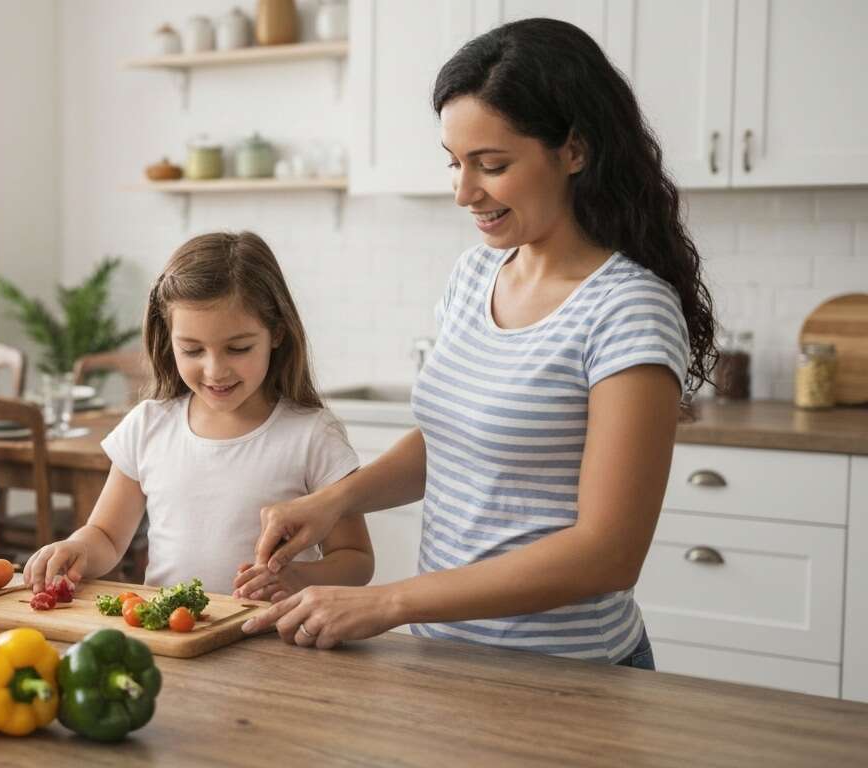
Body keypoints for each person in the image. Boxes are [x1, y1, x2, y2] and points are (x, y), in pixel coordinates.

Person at [238, 18, 716, 670]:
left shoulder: (629, 309)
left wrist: (389, 602)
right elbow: (457, 437)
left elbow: (608, 553)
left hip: (572, 676)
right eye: (455, 163)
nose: (465, 192)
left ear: (574, 151)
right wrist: (334, 501)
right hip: (450, 660)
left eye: (492, 165)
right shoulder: (475, 275)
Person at [24, 231, 373, 597]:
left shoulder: (312, 435)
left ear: (277, 333)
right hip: (169, 629)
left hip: (269, 630)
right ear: (169, 339)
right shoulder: (148, 425)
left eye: (238, 348)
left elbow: (356, 558)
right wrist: (77, 547)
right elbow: (107, 536)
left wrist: (297, 578)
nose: (215, 370)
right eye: (192, 350)